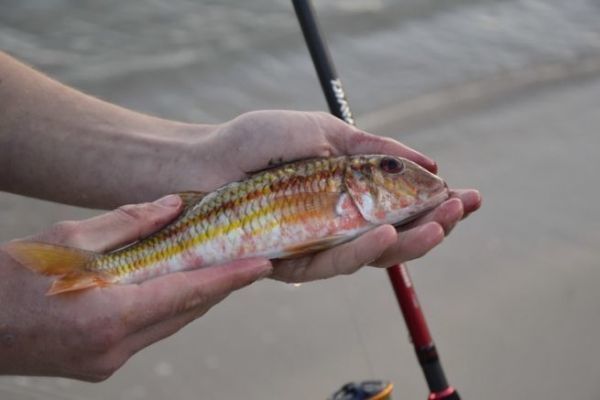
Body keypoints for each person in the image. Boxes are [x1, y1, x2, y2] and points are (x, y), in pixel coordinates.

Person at [0, 51, 481, 382]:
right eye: (390, 168)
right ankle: (100, 271)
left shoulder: (354, 197)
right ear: (357, 182)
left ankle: (100, 271)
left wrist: (197, 155)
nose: (404, 174)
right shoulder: (336, 187)